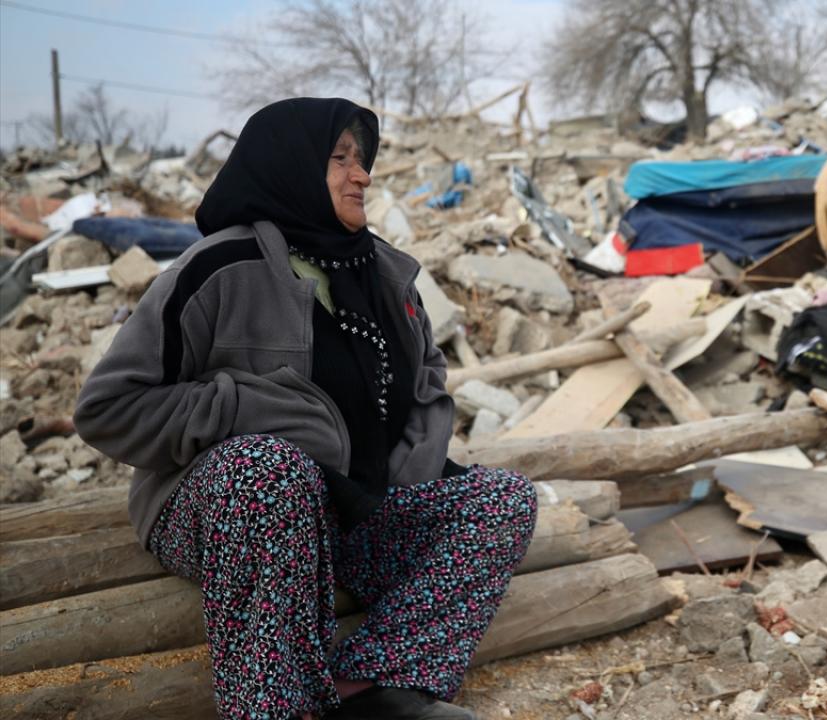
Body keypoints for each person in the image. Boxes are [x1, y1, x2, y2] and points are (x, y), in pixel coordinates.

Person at [74, 97, 538, 720]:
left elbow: (429, 384)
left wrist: (401, 486)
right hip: (228, 512)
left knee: (502, 500)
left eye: (363, 159)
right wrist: (239, 405)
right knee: (270, 471)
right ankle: (281, 708)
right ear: (289, 166)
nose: (362, 175)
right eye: (340, 159)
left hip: (351, 513)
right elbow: (108, 407)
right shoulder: (218, 270)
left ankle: (376, 688)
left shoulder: (386, 273)